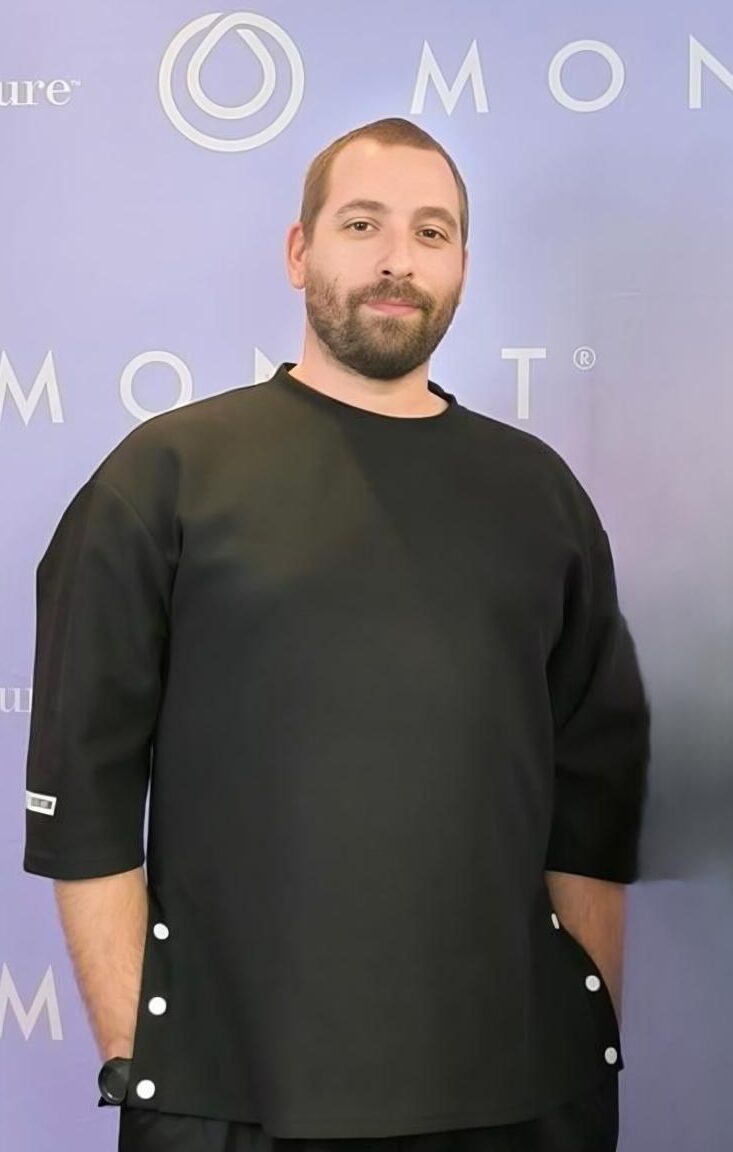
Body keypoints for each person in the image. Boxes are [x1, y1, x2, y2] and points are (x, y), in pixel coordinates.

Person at [23, 117, 650, 1152]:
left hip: (521, 1099)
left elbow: (593, 803)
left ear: (461, 266)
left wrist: (585, 1036)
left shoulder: (539, 494)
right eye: (362, 224)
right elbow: (83, 802)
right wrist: (146, 1059)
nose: (398, 259)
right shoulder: (165, 477)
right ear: (298, 250)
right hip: (234, 1101)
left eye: (431, 232)